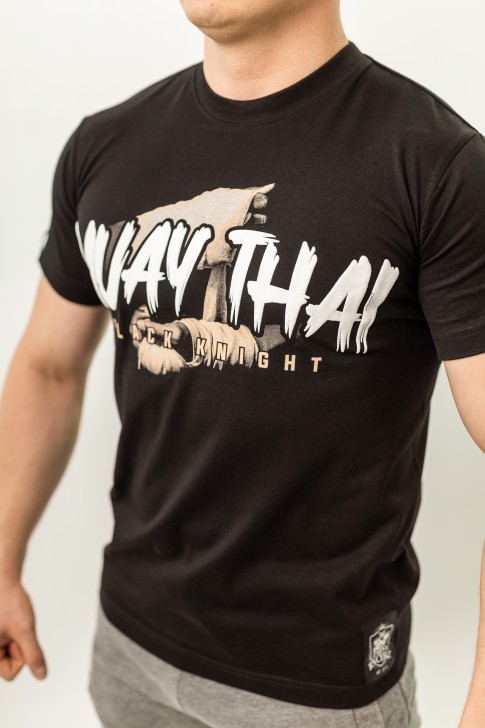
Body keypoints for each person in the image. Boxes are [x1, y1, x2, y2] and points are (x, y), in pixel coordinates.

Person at [1, 0, 485, 726]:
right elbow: (48, 365)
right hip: (129, 649)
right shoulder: (106, 144)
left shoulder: (436, 165)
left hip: (317, 691)